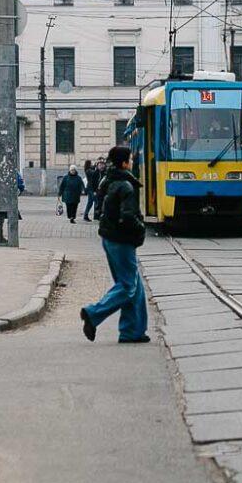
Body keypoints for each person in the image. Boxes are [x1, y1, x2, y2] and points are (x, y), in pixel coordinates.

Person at [81, 145, 149, 344]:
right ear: (124, 163)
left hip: (110, 238)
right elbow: (127, 216)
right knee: (128, 286)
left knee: (134, 287)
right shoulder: (125, 185)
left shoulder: (108, 180)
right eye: (130, 159)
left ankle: (131, 332)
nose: (133, 162)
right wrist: (141, 229)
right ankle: (93, 313)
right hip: (122, 240)